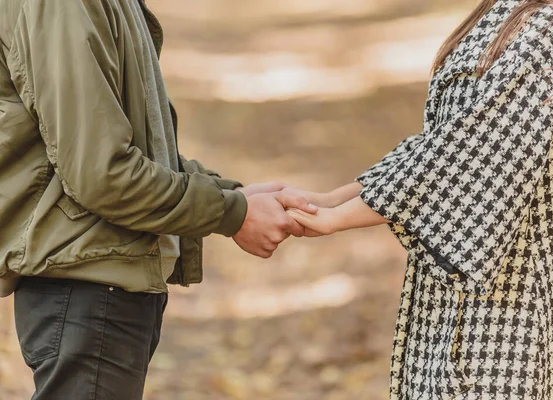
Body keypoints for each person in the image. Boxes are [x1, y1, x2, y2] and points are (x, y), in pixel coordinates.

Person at [0, 0, 316, 399]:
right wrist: (232, 213)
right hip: (85, 280)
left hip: (100, 277)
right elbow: (102, 173)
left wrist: (229, 195)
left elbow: (133, 146)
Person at [288, 0, 553, 398]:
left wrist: (340, 217)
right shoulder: (510, 12)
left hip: (513, 296)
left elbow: (474, 155)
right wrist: (334, 199)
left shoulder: (550, 26)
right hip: (478, 286)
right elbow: (443, 142)